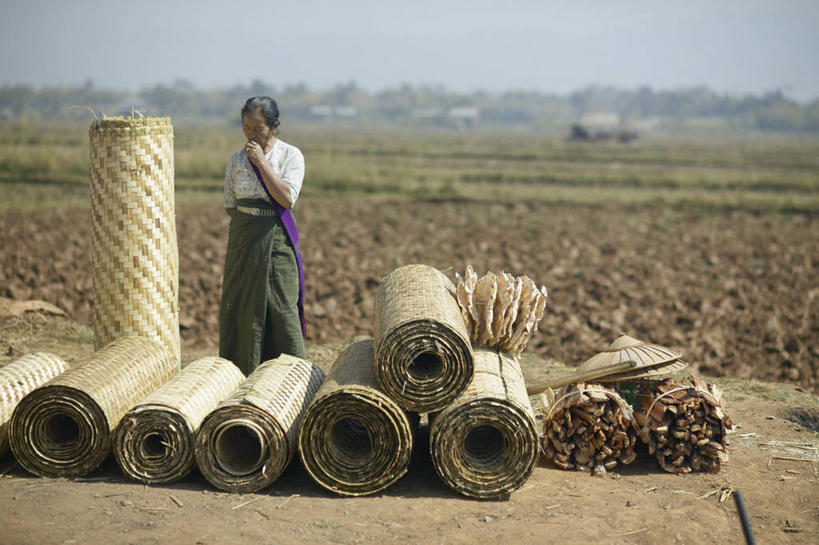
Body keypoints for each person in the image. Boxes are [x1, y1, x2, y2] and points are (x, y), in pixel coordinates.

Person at [219, 96, 306, 375]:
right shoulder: (235, 160)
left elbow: (286, 198)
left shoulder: (290, 156)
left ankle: (290, 376)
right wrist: (251, 227)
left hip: (277, 237)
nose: (251, 134)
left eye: (258, 128)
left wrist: (262, 163)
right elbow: (231, 206)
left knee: (281, 307)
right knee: (241, 306)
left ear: (274, 127)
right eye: (246, 127)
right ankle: (239, 374)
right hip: (244, 241)